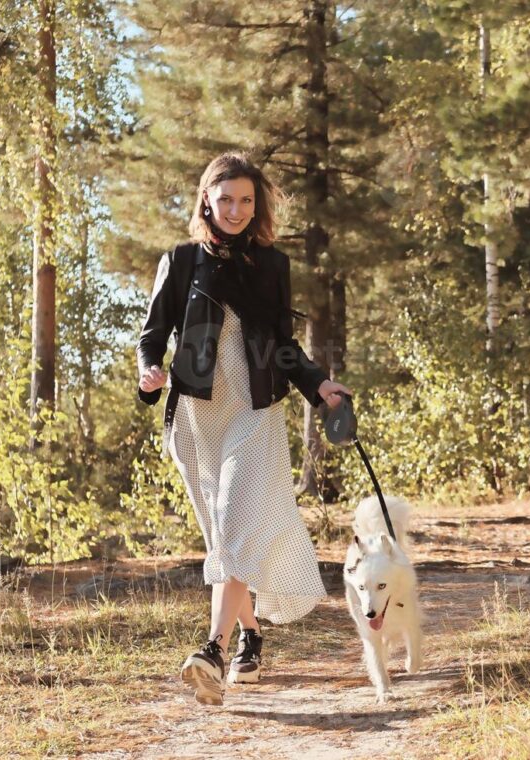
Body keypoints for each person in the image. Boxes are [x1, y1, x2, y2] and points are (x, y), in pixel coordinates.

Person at [136, 151, 351, 705]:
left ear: (258, 206)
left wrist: (318, 385)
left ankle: (212, 648)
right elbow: (153, 333)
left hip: (255, 410)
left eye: (246, 200)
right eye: (225, 198)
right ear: (206, 198)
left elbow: (282, 343)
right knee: (225, 535)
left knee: (235, 520)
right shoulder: (181, 261)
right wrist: (149, 370)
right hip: (196, 414)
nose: (235, 209)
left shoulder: (271, 265)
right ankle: (251, 638)